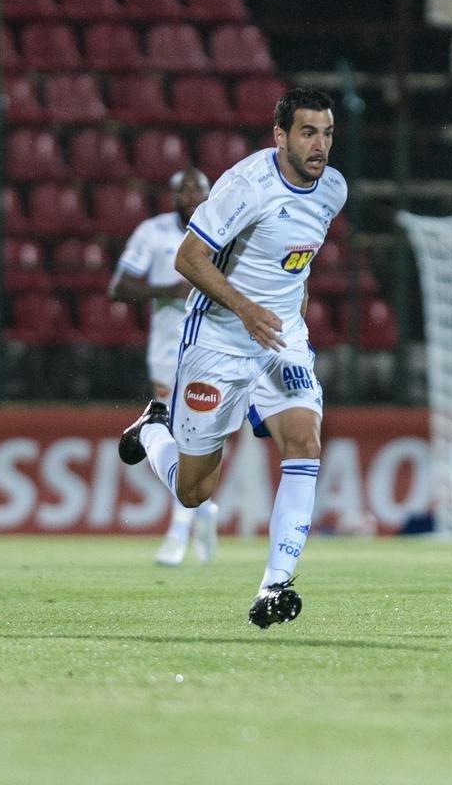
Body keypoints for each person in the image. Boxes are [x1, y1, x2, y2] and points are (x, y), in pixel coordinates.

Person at [117, 88, 347, 628]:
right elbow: (188, 257)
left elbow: (297, 263)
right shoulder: (246, 186)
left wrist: (292, 322)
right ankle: (154, 428)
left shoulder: (333, 190)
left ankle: (273, 587)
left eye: (328, 133)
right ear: (281, 135)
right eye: (308, 132)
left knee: (305, 441)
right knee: (195, 491)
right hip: (219, 337)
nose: (320, 146)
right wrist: (245, 309)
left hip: (280, 336)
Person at [109, 168, 219, 566]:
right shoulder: (152, 233)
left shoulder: (225, 229)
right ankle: (194, 519)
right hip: (168, 351)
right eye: (183, 189)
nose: (191, 195)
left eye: (198, 188)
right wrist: (168, 290)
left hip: (213, 349)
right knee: (179, 436)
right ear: (172, 196)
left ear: (210, 193)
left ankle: (184, 528)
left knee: (192, 438)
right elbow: (119, 287)